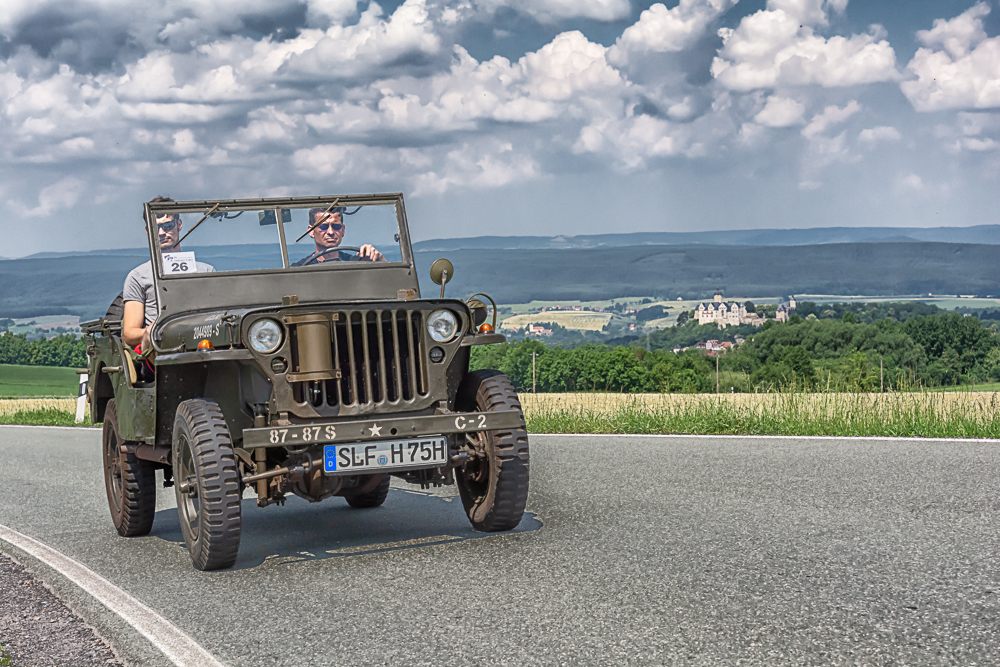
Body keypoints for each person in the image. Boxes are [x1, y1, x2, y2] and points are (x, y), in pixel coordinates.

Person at [123, 197, 215, 375]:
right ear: (148, 231)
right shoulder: (139, 277)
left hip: (203, 342)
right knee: (152, 336)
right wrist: (152, 331)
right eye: (155, 227)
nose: (161, 232)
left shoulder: (206, 271)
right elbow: (129, 333)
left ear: (179, 224)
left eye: (167, 225)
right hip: (158, 351)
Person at [292, 207, 384, 265]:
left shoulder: (356, 263)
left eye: (336, 226)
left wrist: (379, 259)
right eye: (323, 227)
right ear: (311, 231)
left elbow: (391, 282)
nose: (331, 232)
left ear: (343, 230)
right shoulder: (299, 269)